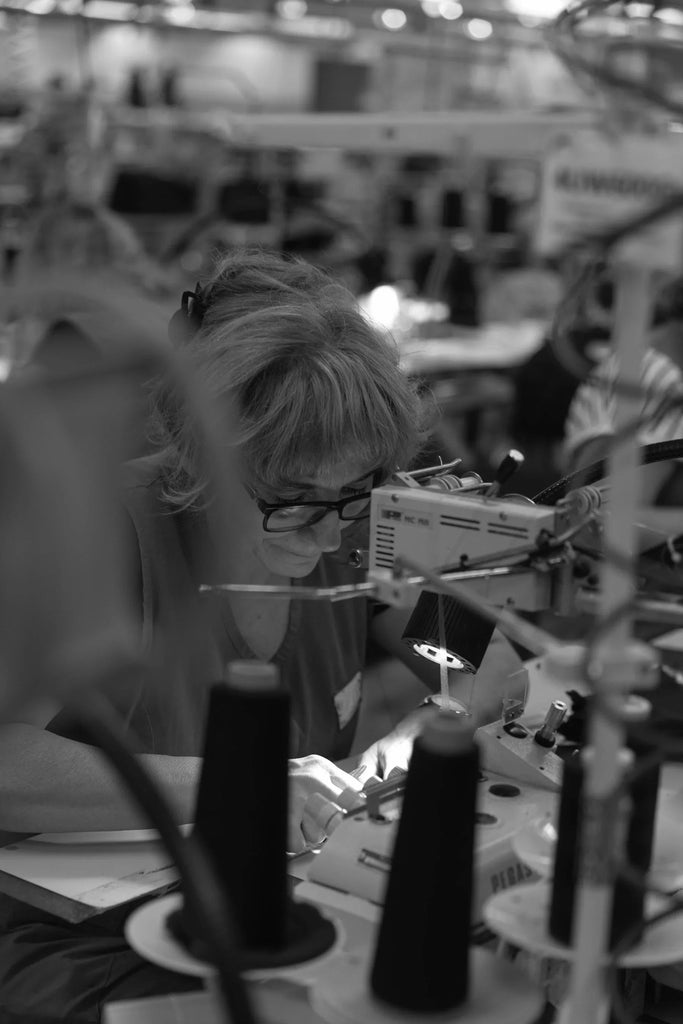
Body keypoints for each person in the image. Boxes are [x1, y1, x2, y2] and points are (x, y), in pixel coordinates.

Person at [0, 250, 521, 1023]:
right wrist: (234, 788)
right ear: (207, 457)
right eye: (292, 499)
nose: (326, 529)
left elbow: (486, 663)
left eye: (352, 495)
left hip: (268, 916)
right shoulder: (112, 539)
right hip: (75, 943)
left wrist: (420, 740)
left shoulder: (354, 531)